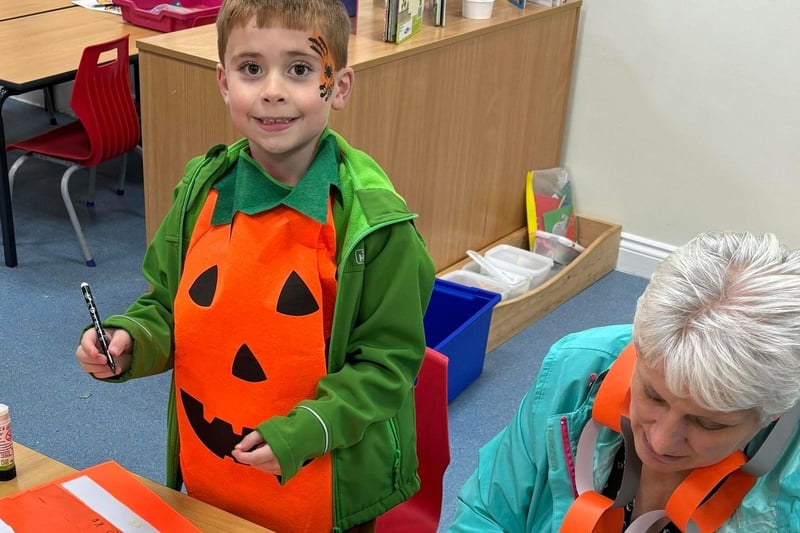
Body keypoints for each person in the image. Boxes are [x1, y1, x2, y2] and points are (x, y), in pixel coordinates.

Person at [74, 0, 435, 531]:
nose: (272, 90)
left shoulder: (373, 227)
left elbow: (387, 366)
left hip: (327, 493)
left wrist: (308, 429)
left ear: (338, 87)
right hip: (212, 479)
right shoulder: (202, 192)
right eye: (250, 69)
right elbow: (167, 308)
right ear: (223, 83)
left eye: (300, 69)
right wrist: (132, 341)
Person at [449, 232, 800, 532]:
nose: (660, 441)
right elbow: (489, 513)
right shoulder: (576, 367)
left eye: (709, 423)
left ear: (773, 413)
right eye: (652, 394)